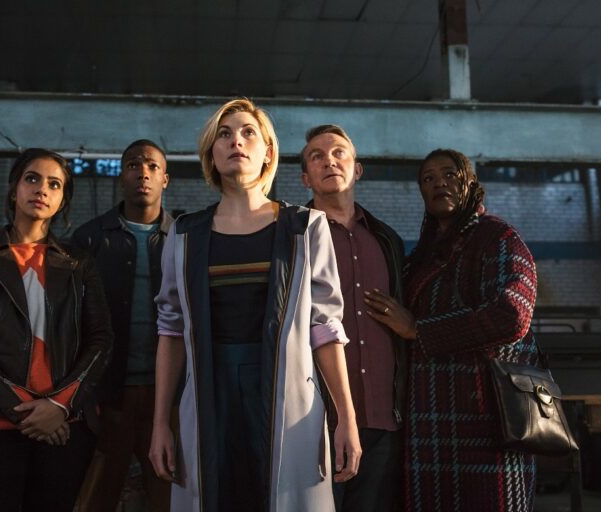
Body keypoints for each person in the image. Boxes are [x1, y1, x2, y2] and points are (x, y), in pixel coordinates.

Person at [148, 98, 361, 512]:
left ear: (268, 152)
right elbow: (170, 330)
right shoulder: (185, 234)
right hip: (210, 390)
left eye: (248, 133)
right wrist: (161, 423)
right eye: (224, 134)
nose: (236, 141)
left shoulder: (305, 227)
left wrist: (346, 419)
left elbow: (325, 329)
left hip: (288, 393)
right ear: (211, 153)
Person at [0, 148, 113, 512]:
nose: (42, 189)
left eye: (54, 184)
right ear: (13, 188)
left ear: (63, 199)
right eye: (32, 178)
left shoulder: (79, 265)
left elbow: (101, 340)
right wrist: (26, 409)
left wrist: (59, 405)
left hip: (62, 429)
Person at [364, 149, 538, 512]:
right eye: (428, 179)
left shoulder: (498, 237)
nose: (438, 183)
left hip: (487, 419)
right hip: (427, 422)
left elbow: (512, 316)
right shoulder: (420, 257)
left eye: (449, 174)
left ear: (470, 183)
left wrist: (419, 329)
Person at [301, 124, 406, 511]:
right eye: (317, 156)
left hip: (383, 418)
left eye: (338, 153)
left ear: (357, 169)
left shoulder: (386, 240)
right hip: (313, 419)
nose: (329, 161)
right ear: (305, 177)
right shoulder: (293, 236)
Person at [73, 140, 173, 512]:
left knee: (168, 494)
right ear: (121, 176)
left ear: (165, 178)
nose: (142, 173)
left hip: (167, 395)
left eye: (152, 166)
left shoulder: (184, 238)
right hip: (108, 394)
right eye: (133, 165)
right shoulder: (89, 238)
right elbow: (73, 323)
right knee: (96, 494)